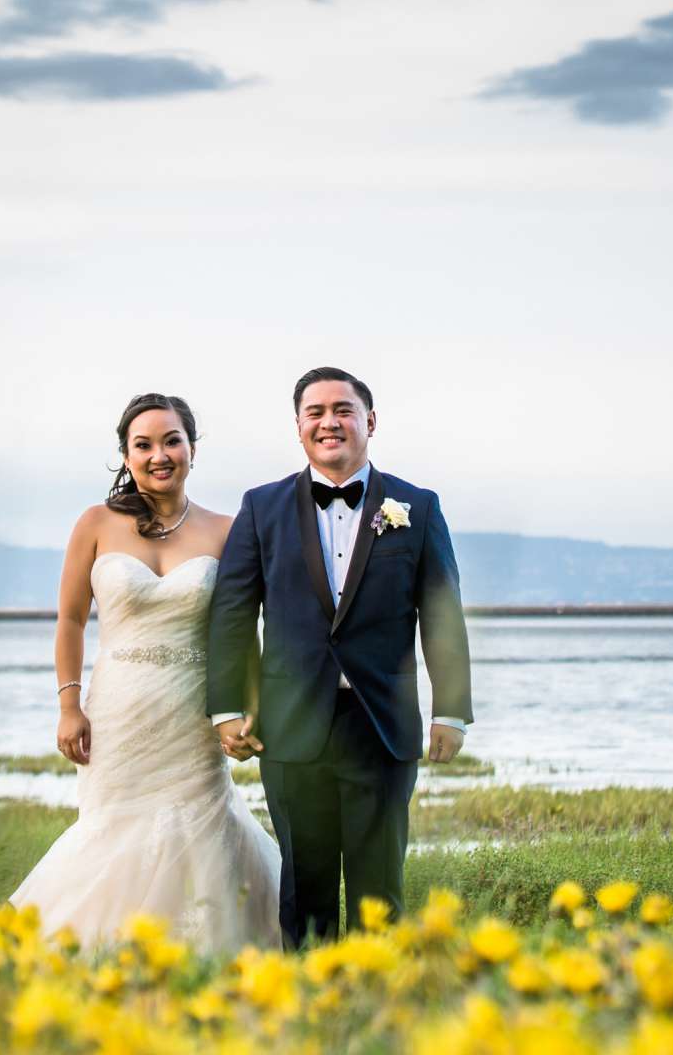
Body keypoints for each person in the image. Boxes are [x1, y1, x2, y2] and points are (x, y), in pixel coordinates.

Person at [205, 367, 474, 945]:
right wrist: (228, 705)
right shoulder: (261, 507)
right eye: (315, 412)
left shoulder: (417, 507)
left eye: (343, 410)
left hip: (382, 725)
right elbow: (231, 612)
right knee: (305, 891)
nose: (330, 422)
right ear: (299, 427)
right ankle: (307, 1012)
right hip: (291, 725)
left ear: (369, 422)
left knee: (382, 893)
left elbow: (443, 614)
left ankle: (382, 1010)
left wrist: (450, 710)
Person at [7, 393, 281, 950]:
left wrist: (245, 706)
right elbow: (69, 619)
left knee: (200, 825)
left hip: (193, 710)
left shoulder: (229, 531)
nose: (160, 454)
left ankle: (206, 953)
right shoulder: (95, 523)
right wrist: (68, 705)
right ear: (126, 457)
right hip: (118, 710)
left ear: (193, 450)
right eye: (144, 444)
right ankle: (101, 953)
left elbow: (244, 630)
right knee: (113, 828)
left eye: (172, 440)